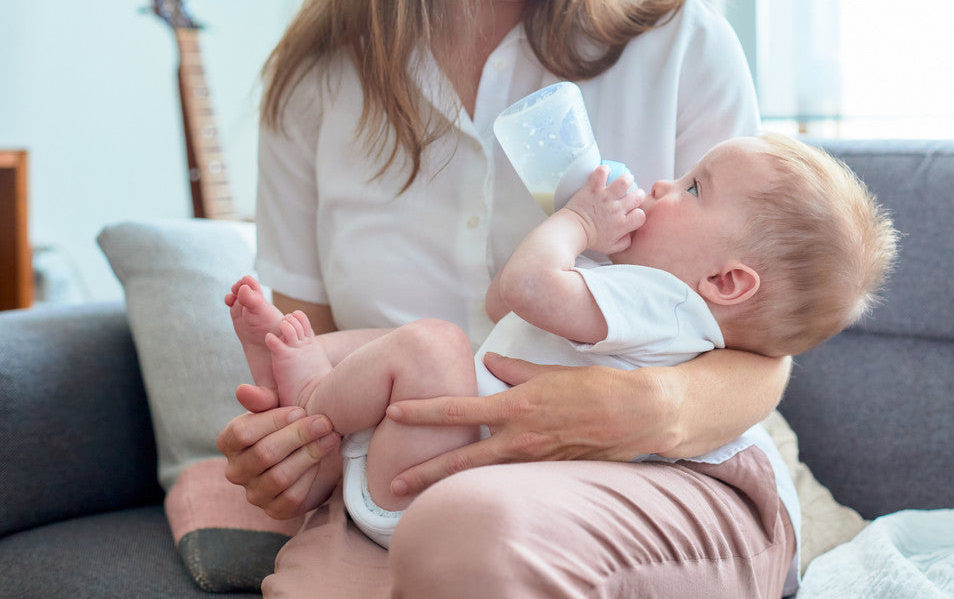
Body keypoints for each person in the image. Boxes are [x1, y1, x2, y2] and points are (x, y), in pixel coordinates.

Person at [217, 0, 822, 595]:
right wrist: (294, 451)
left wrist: (641, 406)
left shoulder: (678, 46)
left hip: (662, 476)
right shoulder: (317, 88)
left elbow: (761, 358)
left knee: (477, 537)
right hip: (399, 495)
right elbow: (312, 364)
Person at [226, 134, 898, 550]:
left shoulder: (663, 305)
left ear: (723, 281)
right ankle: (305, 386)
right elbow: (504, 309)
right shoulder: (638, 300)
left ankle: (311, 393)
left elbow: (524, 289)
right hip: (434, 464)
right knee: (411, 344)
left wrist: (578, 222)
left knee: (430, 345)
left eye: (693, 188)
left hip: (425, 491)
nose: (664, 184)